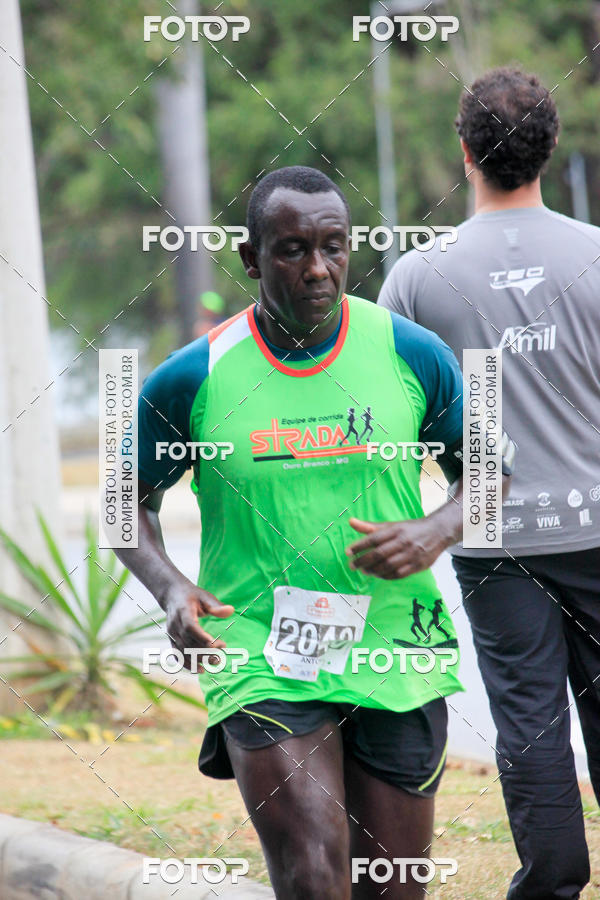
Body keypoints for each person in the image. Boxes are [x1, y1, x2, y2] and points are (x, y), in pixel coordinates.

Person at [118, 165, 509, 899]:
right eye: (293, 250)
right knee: (312, 872)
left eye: (334, 247)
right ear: (251, 259)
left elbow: (492, 473)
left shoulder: (410, 350)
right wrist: (171, 589)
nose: (319, 269)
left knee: (393, 886)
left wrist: (435, 530)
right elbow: (122, 500)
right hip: (261, 648)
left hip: (396, 646)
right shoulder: (195, 375)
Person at [378, 67, 600, 900]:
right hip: (597, 523)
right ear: (551, 146)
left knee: (529, 723)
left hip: (491, 534)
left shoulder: (418, 278)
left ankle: (551, 882)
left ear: (463, 150)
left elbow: (397, 424)